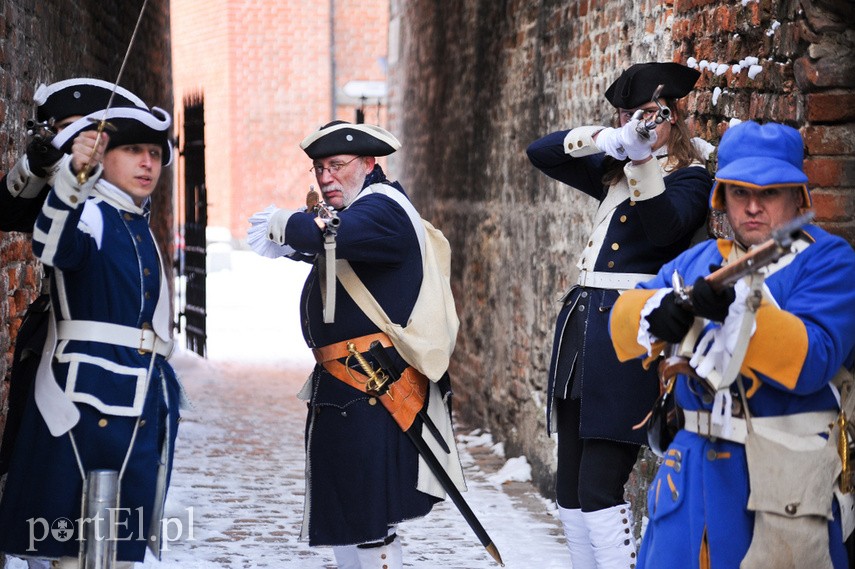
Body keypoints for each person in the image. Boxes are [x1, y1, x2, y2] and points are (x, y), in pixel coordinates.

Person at [609, 120, 855, 568]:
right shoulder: (702, 259)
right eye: (740, 193)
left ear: (797, 198)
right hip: (688, 485)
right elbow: (622, 324)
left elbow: (812, 360)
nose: (754, 207)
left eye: (770, 193)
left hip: (780, 488)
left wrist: (739, 305)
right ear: (722, 197)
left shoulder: (830, 260)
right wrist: (662, 309)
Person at [247, 121, 465, 569]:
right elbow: (338, 247)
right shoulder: (368, 211)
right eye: (318, 168)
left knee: (369, 526)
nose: (325, 177)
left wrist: (284, 225)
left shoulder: (382, 208)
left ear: (369, 163)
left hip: (373, 391)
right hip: (350, 389)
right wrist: (296, 246)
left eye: (336, 166)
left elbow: (334, 234)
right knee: (350, 519)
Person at [525, 62, 713, 567]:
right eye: (630, 114)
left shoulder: (691, 178)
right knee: (567, 487)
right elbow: (540, 151)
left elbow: (664, 231)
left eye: (649, 114)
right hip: (583, 326)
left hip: (628, 333)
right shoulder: (615, 169)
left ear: (673, 117)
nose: (640, 124)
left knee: (599, 486)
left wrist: (642, 157)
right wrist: (612, 138)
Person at [0, 100, 182, 568]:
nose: (148, 163)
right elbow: (52, 244)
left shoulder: (134, 219)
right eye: (134, 150)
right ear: (106, 157)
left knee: (119, 554)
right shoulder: (92, 212)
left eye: (155, 153)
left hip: (139, 400)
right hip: (89, 403)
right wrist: (72, 178)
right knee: (73, 555)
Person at [0, 78, 148, 476]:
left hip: (111, 338)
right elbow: (8, 213)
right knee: (34, 462)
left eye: (90, 127)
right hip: (53, 333)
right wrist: (37, 165)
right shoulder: (56, 185)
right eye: (67, 127)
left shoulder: (124, 190)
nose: (80, 138)